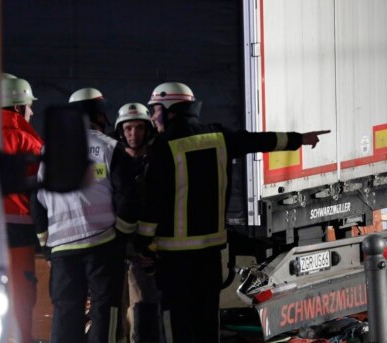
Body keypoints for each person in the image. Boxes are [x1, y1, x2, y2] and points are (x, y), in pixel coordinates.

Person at [139, 82, 330, 342]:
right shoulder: (218, 137)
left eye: (155, 109)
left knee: (176, 321)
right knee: (206, 319)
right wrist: (300, 138)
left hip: (174, 259)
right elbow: (257, 140)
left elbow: (153, 202)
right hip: (210, 255)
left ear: (169, 109)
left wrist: (143, 245)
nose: (152, 116)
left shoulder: (163, 145)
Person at [31, 87, 139, 343]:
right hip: (102, 245)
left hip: (62, 250)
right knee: (105, 310)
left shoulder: (49, 152)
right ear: (99, 116)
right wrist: (122, 235)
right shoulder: (110, 147)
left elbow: (37, 202)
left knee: (66, 312)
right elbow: (128, 197)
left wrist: (46, 245)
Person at [113, 102, 161, 342]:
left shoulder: (156, 164)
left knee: (142, 306)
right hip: (118, 247)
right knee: (116, 309)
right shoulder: (114, 164)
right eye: (129, 128)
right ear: (121, 131)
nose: (134, 134)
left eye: (139, 128)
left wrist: (146, 249)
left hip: (145, 251)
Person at [1, 75, 43, 343]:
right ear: (17, 107)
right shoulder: (25, 137)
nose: (32, 111)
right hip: (17, 225)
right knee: (20, 290)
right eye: (29, 106)